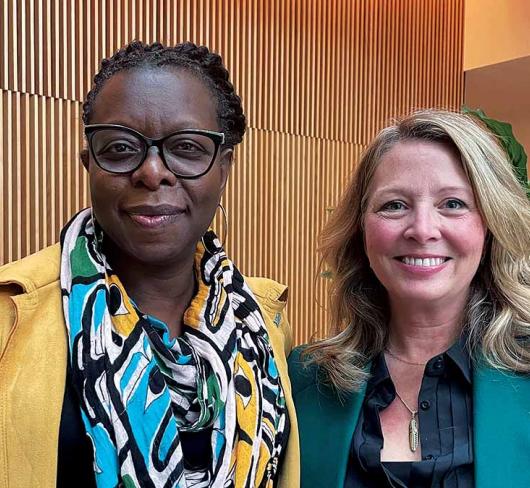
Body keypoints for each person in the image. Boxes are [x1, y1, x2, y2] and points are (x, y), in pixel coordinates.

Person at [0, 41, 299, 488]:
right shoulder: (8, 320)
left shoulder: (263, 323)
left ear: (225, 167)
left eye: (187, 147)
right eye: (120, 148)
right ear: (90, 165)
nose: (152, 171)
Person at [289, 110, 530, 488]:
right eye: (394, 205)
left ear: (490, 226)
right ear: (361, 229)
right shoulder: (302, 380)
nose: (422, 229)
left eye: (453, 203)